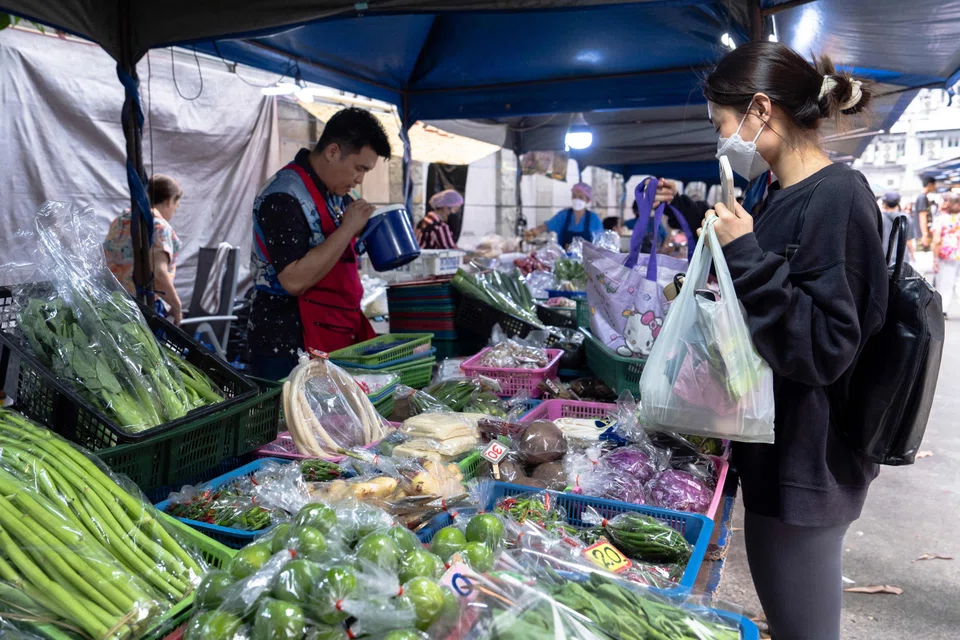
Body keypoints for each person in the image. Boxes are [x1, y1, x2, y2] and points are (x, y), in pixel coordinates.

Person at [702, 42, 888, 640]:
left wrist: (745, 256)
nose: (722, 140)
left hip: (810, 466)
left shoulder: (839, 196)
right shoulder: (772, 195)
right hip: (774, 456)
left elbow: (826, 348)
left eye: (723, 124)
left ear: (761, 109)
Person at [248, 107, 392, 380]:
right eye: (359, 168)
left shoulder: (336, 193)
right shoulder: (283, 196)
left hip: (332, 330)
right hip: (287, 341)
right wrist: (348, 227)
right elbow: (293, 280)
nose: (360, 179)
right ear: (333, 152)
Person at [104, 174, 184, 325]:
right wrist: (177, 306)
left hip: (110, 302)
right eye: (176, 205)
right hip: (140, 310)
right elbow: (158, 275)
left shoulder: (120, 221)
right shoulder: (159, 227)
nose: (175, 210)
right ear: (169, 201)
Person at [524, 183, 602, 247]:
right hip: (565, 261)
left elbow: (600, 242)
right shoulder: (564, 215)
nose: (576, 199)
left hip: (586, 262)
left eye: (581, 197)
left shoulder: (594, 219)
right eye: (574, 196)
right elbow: (547, 226)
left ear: (587, 200)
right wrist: (533, 232)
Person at [932, 192, 960, 317]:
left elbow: (937, 240)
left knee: (944, 282)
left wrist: (934, 259)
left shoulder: (941, 219)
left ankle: (943, 310)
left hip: (946, 255)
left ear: (946, 203)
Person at [879, 191, 915, 264]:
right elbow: (909, 240)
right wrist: (912, 254)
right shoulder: (906, 218)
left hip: (883, 256)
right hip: (902, 256)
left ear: (884, 203)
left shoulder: (880, 218)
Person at [915, 176, 937, 249]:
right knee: (924, 257)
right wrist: (925, 235)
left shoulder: (922, 197)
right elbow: (922, 216)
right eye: (934, 185)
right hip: (922, 234)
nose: (935, 187)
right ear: (930, 184)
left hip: (921, 234)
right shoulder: (922, 198)